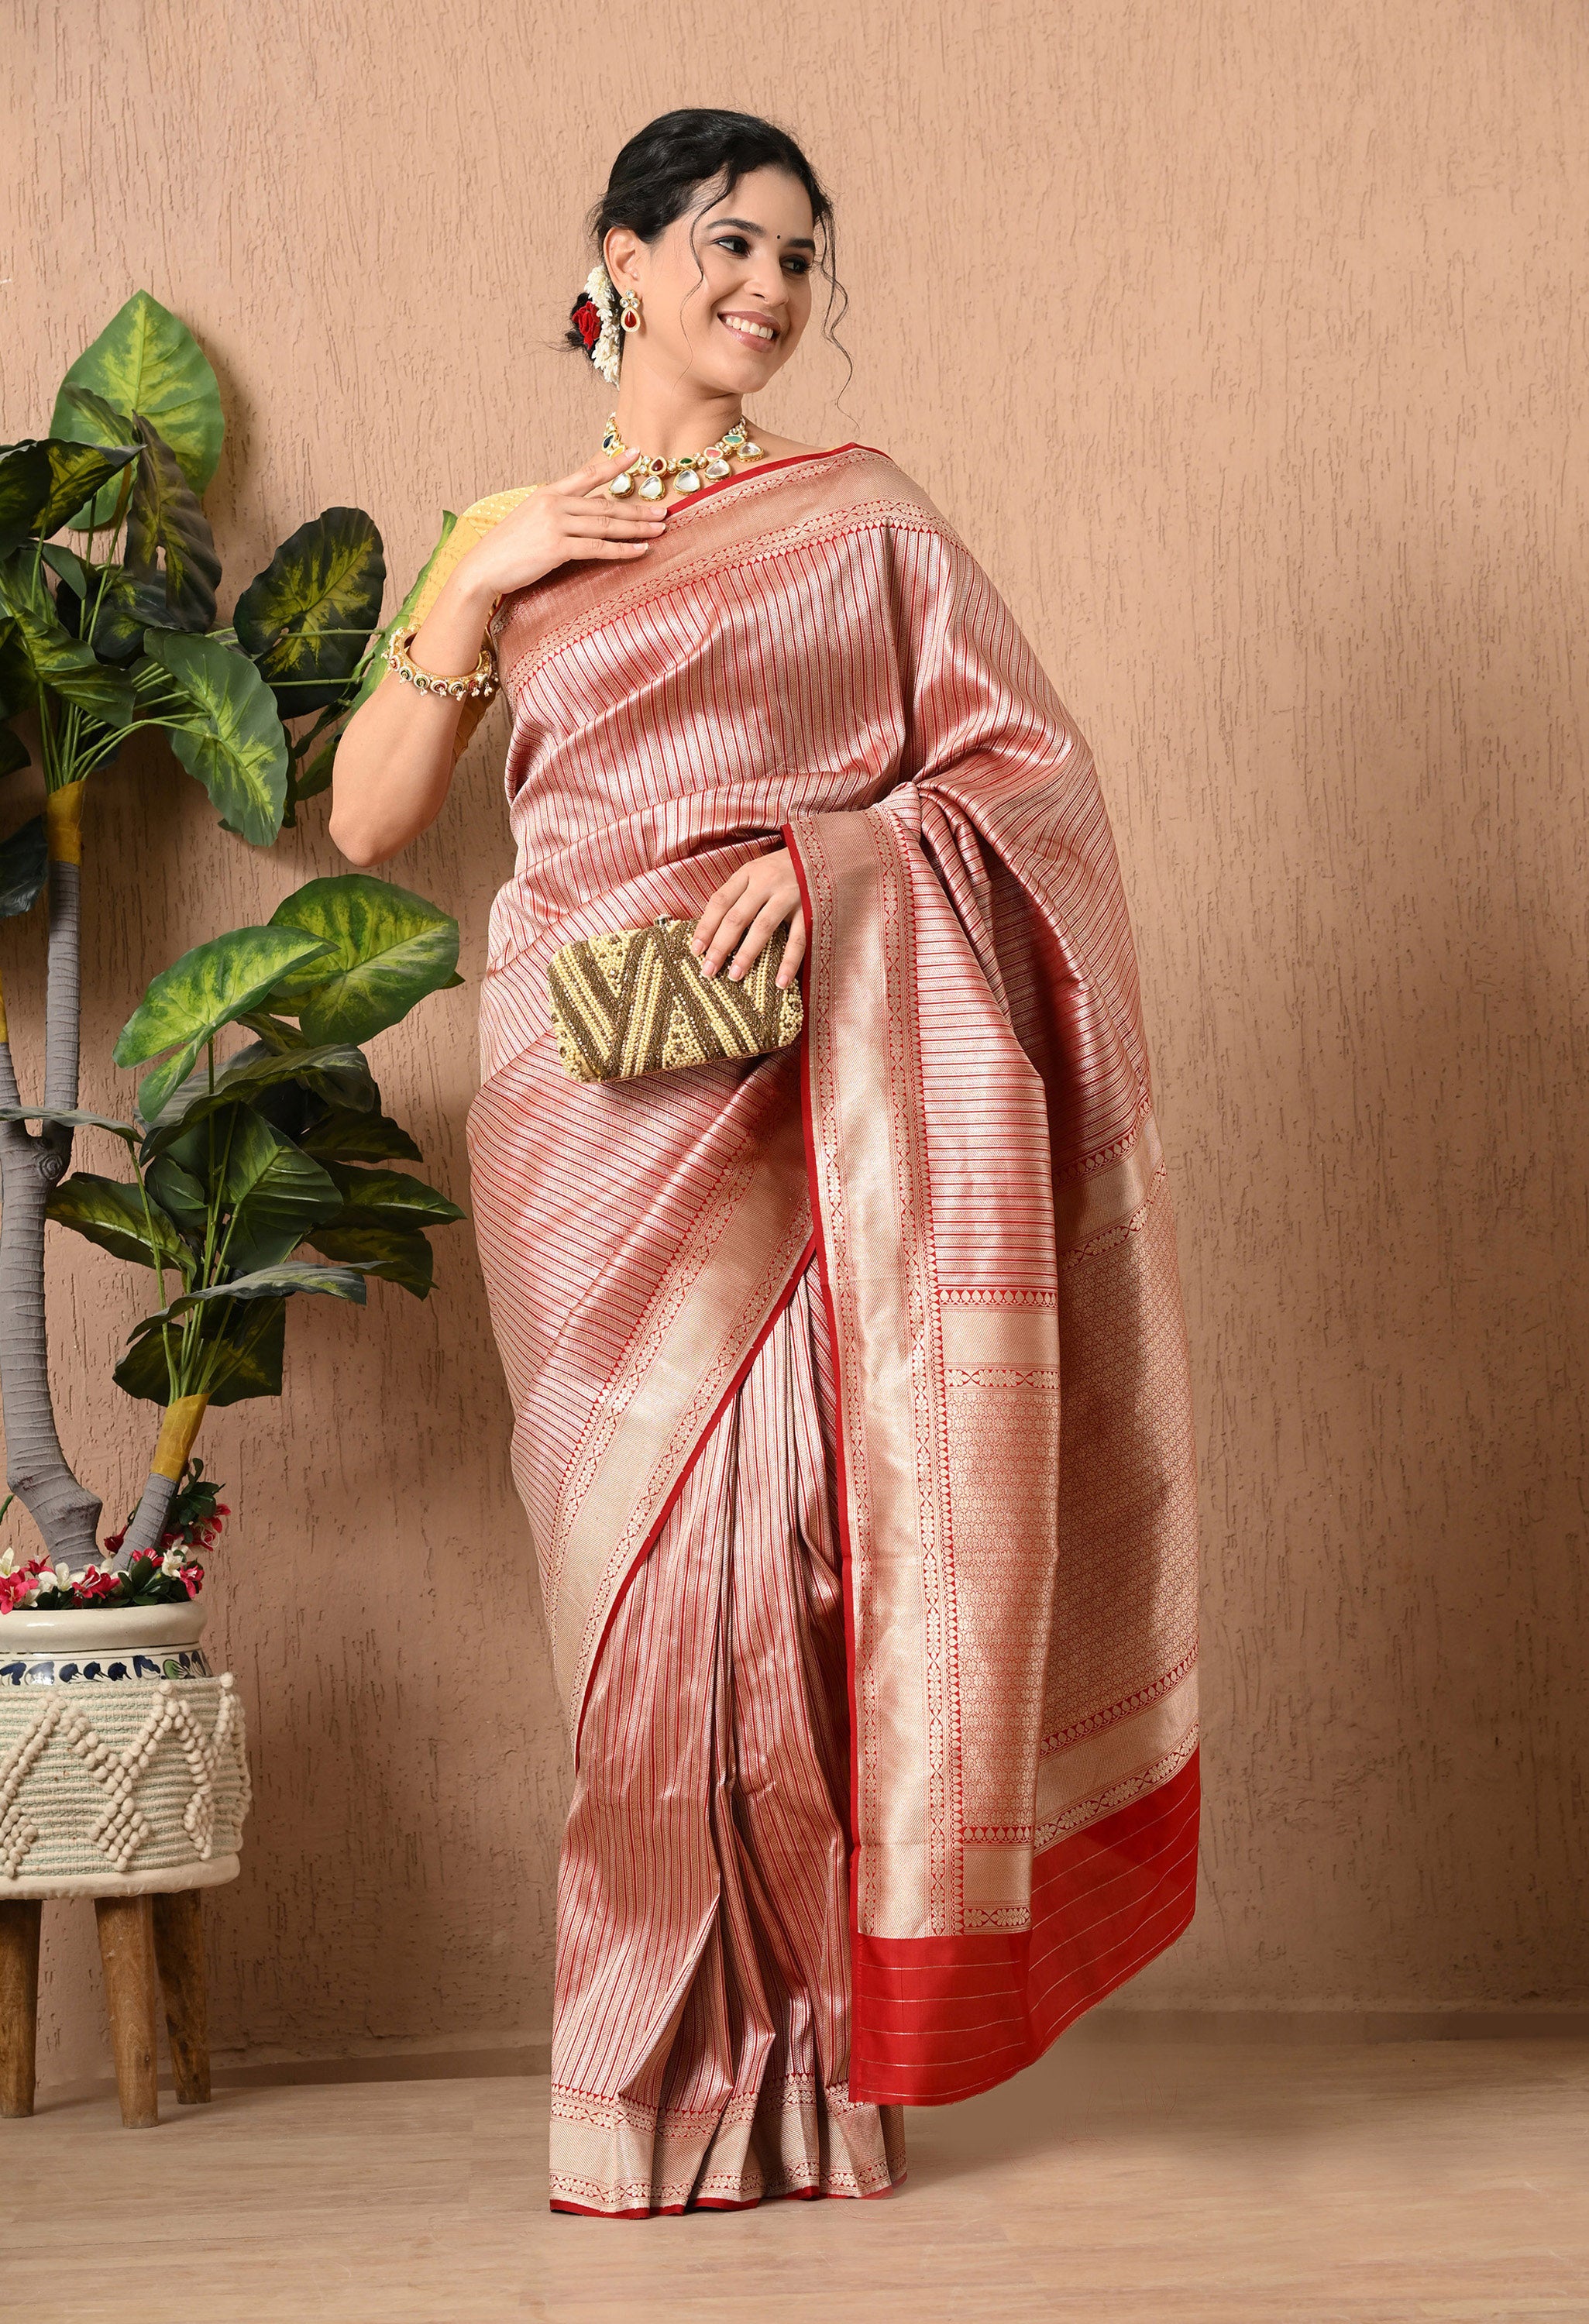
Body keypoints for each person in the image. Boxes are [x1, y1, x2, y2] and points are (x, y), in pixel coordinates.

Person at [331, 107, 1200, 2220]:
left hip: (806, 1100)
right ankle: (644, 2084)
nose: (767, 291)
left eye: (800, 261)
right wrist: (477, 582)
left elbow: (1022, 785)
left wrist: (832, 862)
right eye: (727, 244)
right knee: (634, 1615)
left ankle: (801, 2084)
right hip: (583, 1099)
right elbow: (368, 823)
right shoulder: (505, 529)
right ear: (614, 256)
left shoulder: (865, 519)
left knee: (792, 1575)